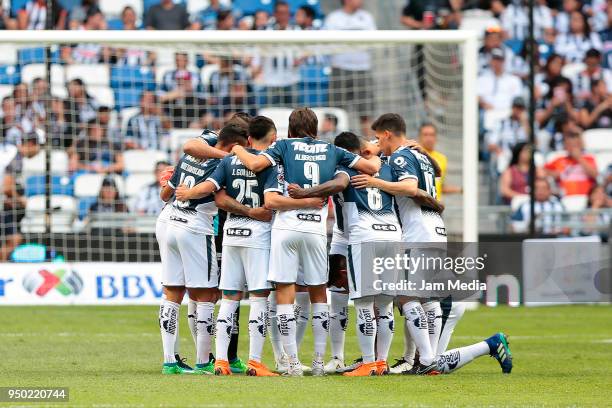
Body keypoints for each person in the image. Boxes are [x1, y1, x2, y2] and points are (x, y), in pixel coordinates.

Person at [353, 113, 512, 376]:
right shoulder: (419, 155)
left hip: (417, 230)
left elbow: (409, 187)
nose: (377, 142)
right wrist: (422, 152)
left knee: (406, 296)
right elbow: (435, 172)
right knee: (424, 298)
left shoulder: (402, 156)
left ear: (388, 134)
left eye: (379, 137)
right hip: (436, 228)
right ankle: (430, 358)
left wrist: (374, 182)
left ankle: (426, 360)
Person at [230, 107, 382, 376]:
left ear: (290, 129)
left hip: (286, 227)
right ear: (316, 129)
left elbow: (254, 165)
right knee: (318, 293)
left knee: (285, 294)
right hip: (315, 230)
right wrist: (370, 151)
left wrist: (236, 149)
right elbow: (372, 167)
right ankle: (318, 363)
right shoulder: (331, 150)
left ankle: (290, 363)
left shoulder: (284, 146)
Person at [175, 116, 283, 377]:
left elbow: (214, 191)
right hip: (257, 235)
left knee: (228, 298)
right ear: (271, 139)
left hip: (230, 232)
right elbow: (272, 202)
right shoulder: (270, 163)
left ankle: (221, 361)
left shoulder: (227, 160)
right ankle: (255, 362)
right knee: (258, 298)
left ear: (247, 138)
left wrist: (188, 193)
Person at [288, 131, 402, 376]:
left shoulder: (344, 168)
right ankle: (363, 360)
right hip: (386, 233)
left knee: (362, 299)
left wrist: (306, 193)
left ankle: (369, 363)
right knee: (381, 302)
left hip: (360, 234)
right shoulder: (387, 167)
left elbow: (339, 184)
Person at [156, 123, 248, 375]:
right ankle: (202, 362)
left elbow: (167, 192)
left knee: (172, 292)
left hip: (170, 219)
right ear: (234, 145)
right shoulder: (224, 164)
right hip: (196, 226)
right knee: (205, 295)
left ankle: (169, 362)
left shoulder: (191, 155)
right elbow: (217, 196)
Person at [324, 0, 377, 136]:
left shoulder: (366, 17)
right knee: (334, 113)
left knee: (366, 114)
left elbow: (374, 41)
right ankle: (332, 146)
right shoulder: (333, 18)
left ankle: (370, 148)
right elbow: (325, 43)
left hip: (362, 69)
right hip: (340, 69)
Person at [418, 122, 462, 200]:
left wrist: (460, 189)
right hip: (418, 207)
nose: (429, 138)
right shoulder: (414, 155)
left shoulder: (442, 158)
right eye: (425, 135)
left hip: (435, 207)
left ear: (436, 137)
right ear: (419, 137)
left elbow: (439, 186)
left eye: (432, 135)